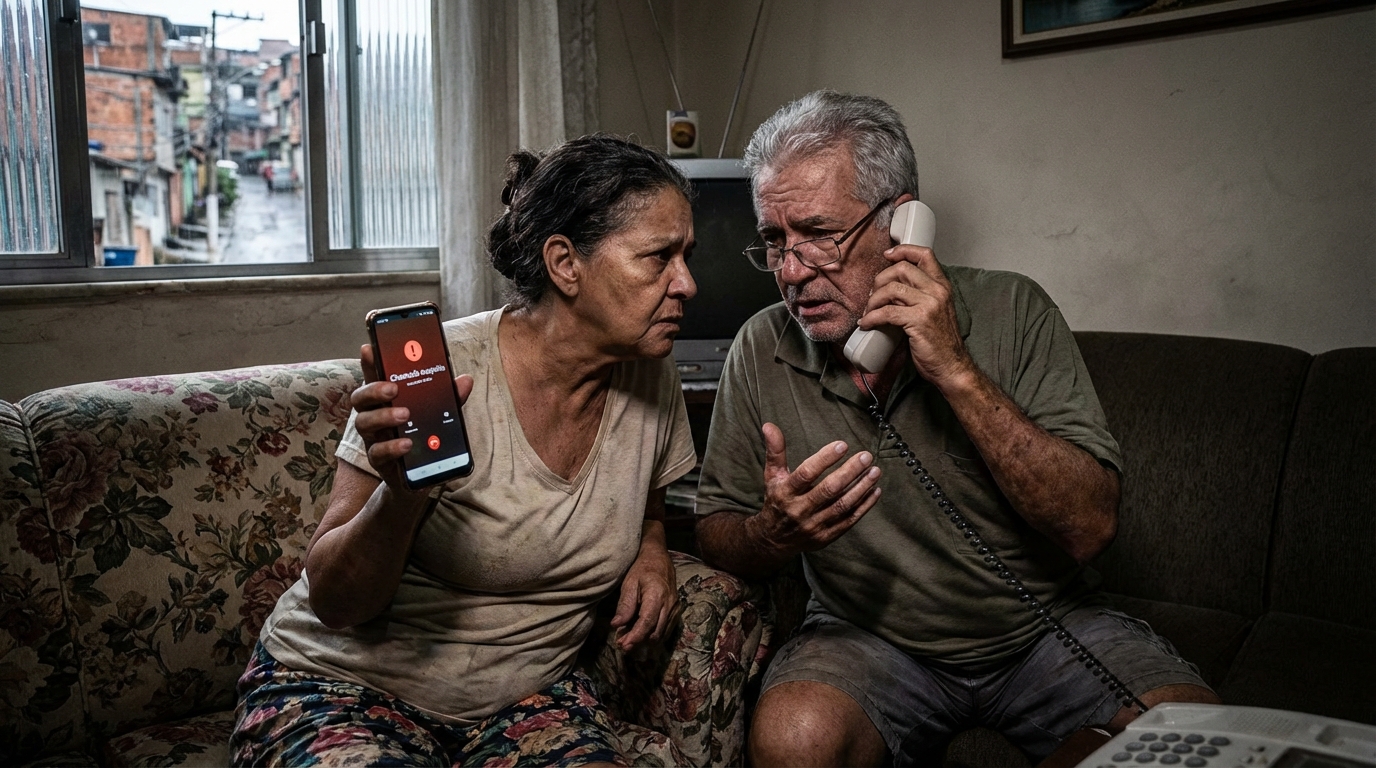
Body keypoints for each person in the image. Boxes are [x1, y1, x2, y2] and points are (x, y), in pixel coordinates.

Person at [693, 91, 1219, 767]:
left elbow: (1090, 526)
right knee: (792, 739)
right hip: (863, 638)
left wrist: (955, 371)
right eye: (774, 240)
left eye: (821, 234)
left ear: (902, 221)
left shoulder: (1015, 309)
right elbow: (716, 530)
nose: (792, 272)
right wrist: (772, 533)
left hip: (1044, 631)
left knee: (1196, 738)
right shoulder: (758, 346)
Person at [230, 134, 699, 766]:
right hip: (343, 687)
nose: (688, 284)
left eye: (687, 255)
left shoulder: (651, 373)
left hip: (529, 706)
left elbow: (643, 501)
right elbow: (336, 603)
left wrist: (651, 548)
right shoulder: (441, 373)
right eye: (658, 257)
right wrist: (403, 495)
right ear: (565, 264)